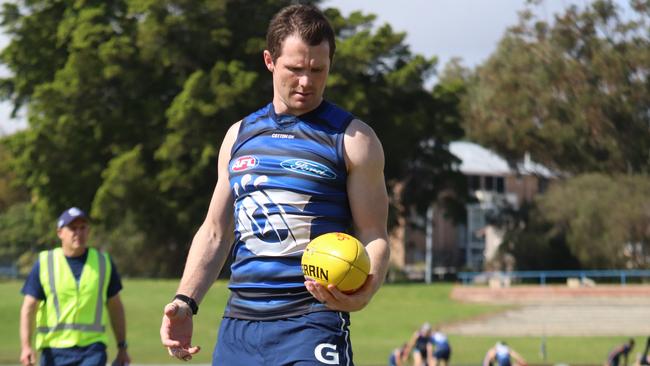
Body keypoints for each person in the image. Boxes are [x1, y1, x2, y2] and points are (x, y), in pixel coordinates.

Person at [159, 4, 390, 365]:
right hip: (240, 328)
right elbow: (216, 233)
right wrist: (185, 301)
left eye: (318, 69)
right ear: (269, 60)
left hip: (312, 322)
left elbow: (374, 234)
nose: (306, 82)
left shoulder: (354, 139)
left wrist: (366, 290)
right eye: (295, 69)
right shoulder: (238, 136)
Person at [19, 207, 131, 366]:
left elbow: (115, 307)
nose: (78, 232)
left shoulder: (103, 262)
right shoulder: (45, 263)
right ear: (60, 233)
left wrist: (122, 347)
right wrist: (26, 347)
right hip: (54, 351)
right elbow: (28, 308)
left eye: (82, 227)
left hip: (93, 350)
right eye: (72, 228)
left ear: (88, 230)